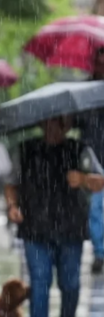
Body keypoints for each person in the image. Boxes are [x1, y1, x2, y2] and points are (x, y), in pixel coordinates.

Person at [5, 115, 104, 317]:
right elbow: (10, 183)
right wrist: (12, 206)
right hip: (35, 228)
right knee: (40, 280)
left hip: (70, 229)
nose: (52, 129)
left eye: (58, 124)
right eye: (47, 123)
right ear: (41, 124)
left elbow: (100, 181)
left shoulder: (80, 150)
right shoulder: (26, 150)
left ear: (66, 126)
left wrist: (81, 179)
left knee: (70, 283)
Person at [80, 47, 104, 273]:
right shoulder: (84, 91)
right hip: (94, 158)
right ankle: (100, 252)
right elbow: (78, 121)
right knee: (96, 207)